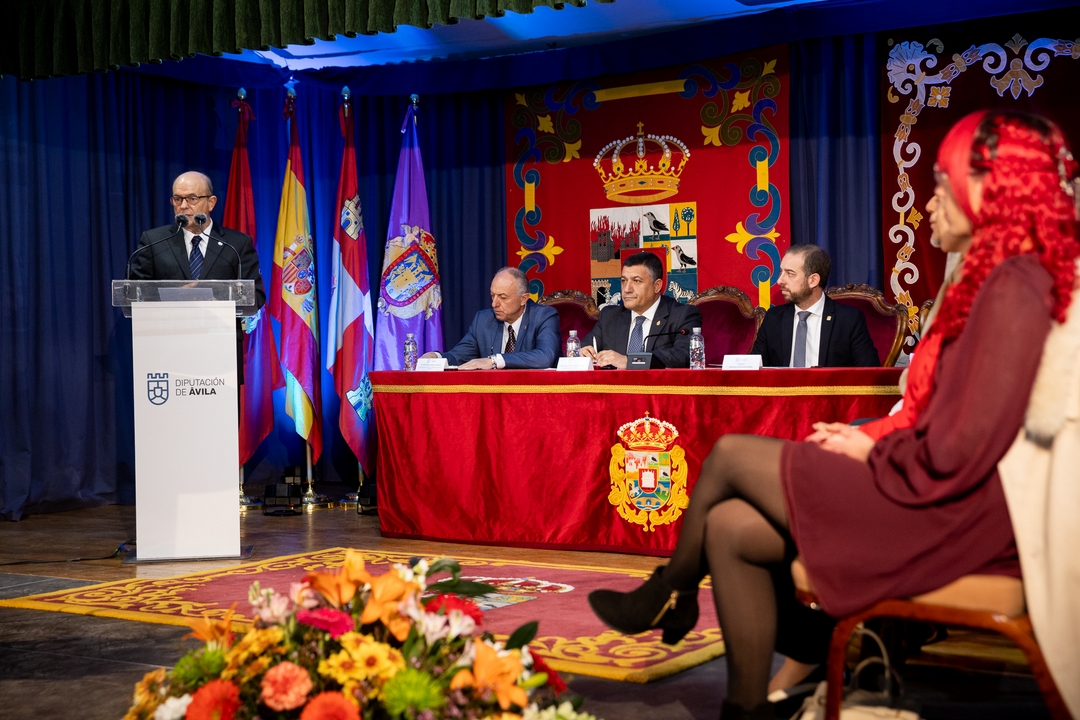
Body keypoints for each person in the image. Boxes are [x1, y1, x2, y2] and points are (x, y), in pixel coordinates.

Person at [588, 109, 1080, 720]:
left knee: (731, 453)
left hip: (948, 509)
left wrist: (869, 449)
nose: (931, 202)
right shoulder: (993, 281)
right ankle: (745, 704)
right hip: (927, 482)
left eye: (943, 185)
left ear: (990, 189)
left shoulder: (1015, 285)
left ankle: (670, 591)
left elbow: (960, 449)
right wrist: (866, 435)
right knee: (729, 528)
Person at [130, 171, 266, 383]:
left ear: (211, 203)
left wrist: (215, 301)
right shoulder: (154, 241)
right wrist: (174, 297)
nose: (183, 206)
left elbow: (255, 296)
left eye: (192, 199)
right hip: (166, 353)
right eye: (177, 199)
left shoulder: (236, 244)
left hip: (220, 353)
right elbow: (133, 295)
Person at [750, 244, 879, 367]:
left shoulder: (848, 320)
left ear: (813, 280)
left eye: (790, 273)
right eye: (781, 272)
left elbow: (870, 374)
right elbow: (752, 370)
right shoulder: (773, 318)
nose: (780, 281)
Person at [581, 251, 703, 368]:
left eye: (636, 281)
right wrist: (583, 353)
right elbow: (586, 345)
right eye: (624, 281)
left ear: (657, 286)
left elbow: (685, 354)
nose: (627, 289)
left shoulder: (681, 315)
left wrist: (629, 361)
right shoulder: (610, 316)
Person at [423, 267, 560, 369]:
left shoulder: (544, 316)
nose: (494, 304)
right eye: (492, 295)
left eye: (503, 297)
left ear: (523, 299)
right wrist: (436, 357)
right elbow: (458, 356)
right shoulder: (483, 320)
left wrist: (493, 361)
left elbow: (545, 357)